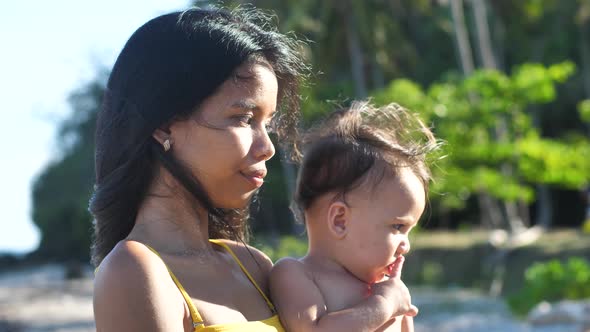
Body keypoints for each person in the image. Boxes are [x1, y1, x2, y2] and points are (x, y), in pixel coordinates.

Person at [91, 6, 307, 331]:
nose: (268, 147)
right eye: (244, 119)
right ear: (164, 124)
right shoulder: (135, 271)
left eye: (268, 123)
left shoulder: (252, 265)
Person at [270, 101, 440, 332]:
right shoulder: (295, 275)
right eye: (398, 227)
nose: (406, 246)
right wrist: (384, 305)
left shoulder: (390, 290)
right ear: (340, 220)